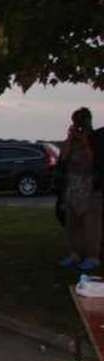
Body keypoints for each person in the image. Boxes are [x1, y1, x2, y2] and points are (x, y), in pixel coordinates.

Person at [59, 107, 102, 271]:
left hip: (91, 188)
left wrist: (85, 141)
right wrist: (70, 138)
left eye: (80, 121)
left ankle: (93, 257)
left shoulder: (97, 138)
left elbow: (95, 160)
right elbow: (63, 158)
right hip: (73, 187)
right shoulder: (73, 140)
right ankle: (74, 254)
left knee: (91, 226)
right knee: (72, 225)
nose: (78, 125)